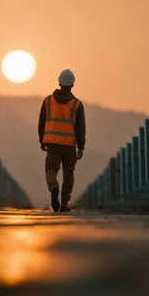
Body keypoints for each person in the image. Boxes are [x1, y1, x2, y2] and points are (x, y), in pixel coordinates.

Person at [38, 69, 86, 212]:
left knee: (51, 169)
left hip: (52, 142)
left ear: (59, 82)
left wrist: (42, 140)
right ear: (72, 85)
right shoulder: (77, 104)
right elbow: (81, 129)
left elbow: (41, 123)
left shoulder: (48, 101)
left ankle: (53, 186)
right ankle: (64, 204)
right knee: (68, 173)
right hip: (69, 145)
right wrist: (81, 147)